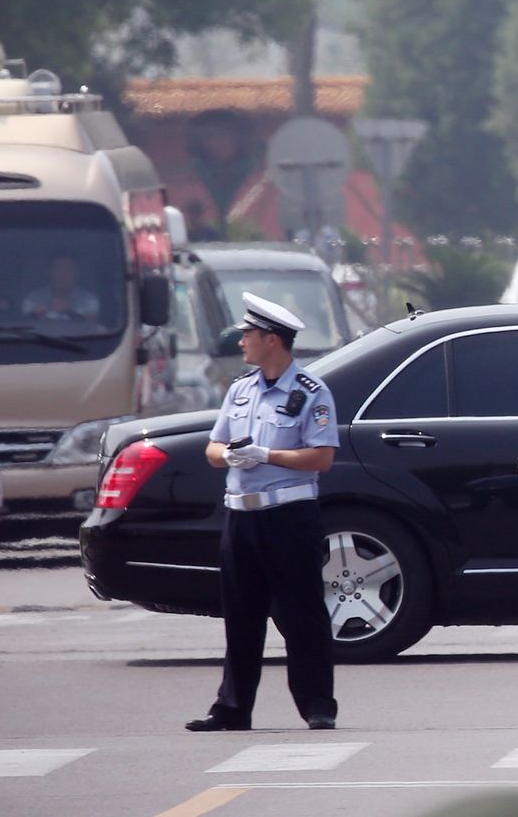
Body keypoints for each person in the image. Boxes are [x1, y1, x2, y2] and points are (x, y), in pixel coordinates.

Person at [186, 291, 341, 732]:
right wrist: (231, 456)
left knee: (302, 613)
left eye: (248, 334)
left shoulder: (311, 392)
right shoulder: (240, 390)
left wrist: (267, 455)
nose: (242, 342)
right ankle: (233, 708)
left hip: (288, 517)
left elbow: (321, 457)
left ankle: (317, 705)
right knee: (240, 615)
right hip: (241, 517)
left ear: (272, 340)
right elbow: (213, 448)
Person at [22, 253, 100, 322]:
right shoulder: (33, 298)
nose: (63, 275)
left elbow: (92, 323)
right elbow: (23, 326)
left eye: (69, 269)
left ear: (77, 274)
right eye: (58, 269)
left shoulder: (88, 299)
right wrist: (34, 315)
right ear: (49, 273)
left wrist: (69, 312)